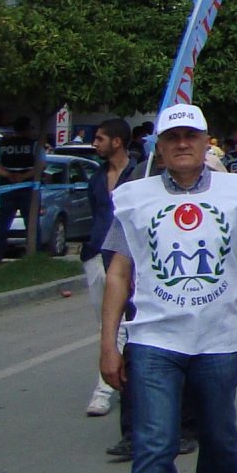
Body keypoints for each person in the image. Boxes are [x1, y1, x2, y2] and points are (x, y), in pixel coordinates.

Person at [97, 103, 237, 473]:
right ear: (159, 144)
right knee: (154, 445)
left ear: (205, 141)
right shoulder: (134, 199)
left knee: (218, 434)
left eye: (189, 136)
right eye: (171, 137)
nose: (181, 144)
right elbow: (117, 274)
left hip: (217, 340)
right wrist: (109, 344)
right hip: (155, 339)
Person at [82, 118, 139, 421]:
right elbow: (97, 213)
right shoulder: (96, 178)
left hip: (128, 259)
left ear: (117, 142)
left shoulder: (140, 174)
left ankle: (106, 390)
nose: (95, 143)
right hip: (96, 256)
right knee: (107, 325)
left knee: (127, 324)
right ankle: (115, 378)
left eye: (100, 138)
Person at [0, 115, 41, 264]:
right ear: (27, 129)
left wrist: (9, 175)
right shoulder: (34, 144)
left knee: (3, 222)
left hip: (7, 186)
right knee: (32, 223)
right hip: (27, 187)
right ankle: (37, 256)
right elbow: (41, 166)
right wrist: (23, 177)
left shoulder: (2, 144)